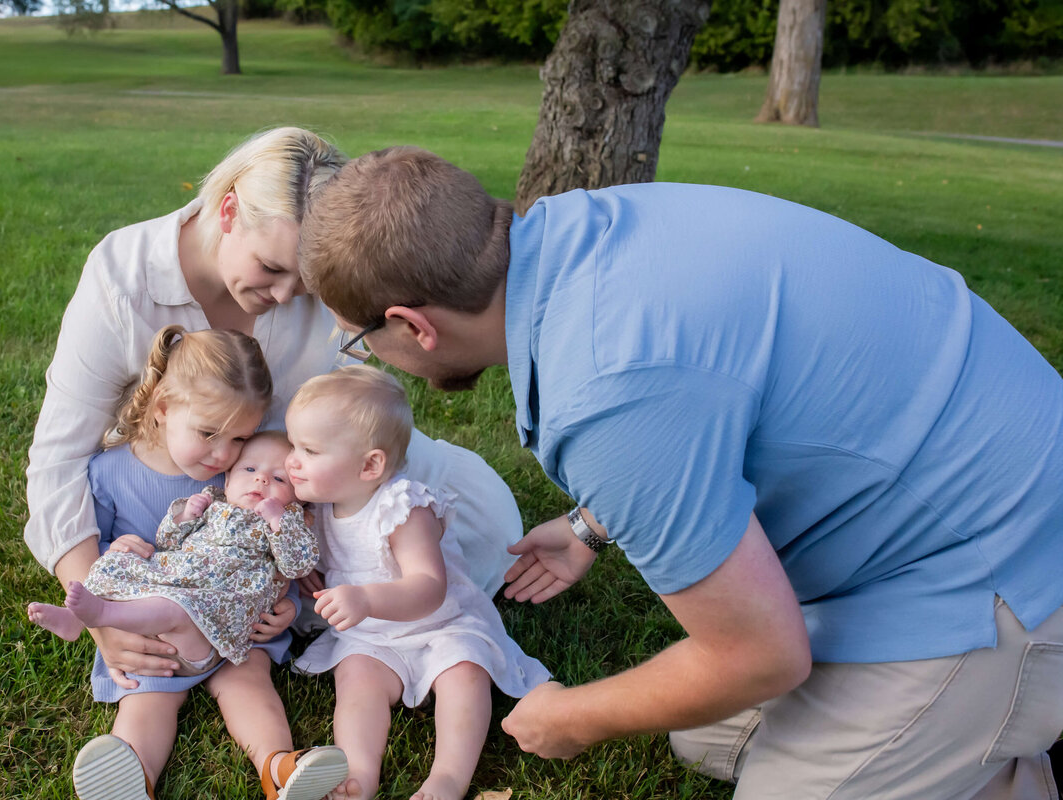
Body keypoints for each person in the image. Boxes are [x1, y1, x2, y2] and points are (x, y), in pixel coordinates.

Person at [296, 146, 1063, 800]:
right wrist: (592, 524)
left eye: (361, 343)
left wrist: (576, 715)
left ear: (411, 326)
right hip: (968, 469)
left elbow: (762, 654)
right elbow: (711, 398)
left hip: (1005, 563)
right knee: (707, 740)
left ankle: (1001, 716)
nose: (369, 358)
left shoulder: (603, 392)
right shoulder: (585, 226)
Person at [24, 129, 522, 697]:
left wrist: (304, 529)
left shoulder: (316, 289)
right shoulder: (124, 275)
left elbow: (351, 418)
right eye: (270, 268)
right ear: (229, 210)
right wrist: (98, 606)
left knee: (487, 530)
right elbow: (60, 454)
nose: (287, 296)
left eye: (304, 283)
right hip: (183, 503)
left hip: (300, 490)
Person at [28, 325, 348, 800]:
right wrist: (118, 552)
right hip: (158, 629)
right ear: (162, 409)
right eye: (209, 434)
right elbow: (102, 551)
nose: (223, 453)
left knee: (250, 684)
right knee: (147, 700)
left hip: (237, 628)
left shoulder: (239, 476)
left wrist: (284, 603)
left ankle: (277, 766)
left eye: (238, 437)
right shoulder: (110, 471)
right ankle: (133, 774)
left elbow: (266, 558)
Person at [284, 366, 550, 800]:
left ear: (370, 464)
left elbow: (429, 586)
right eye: (292, 444)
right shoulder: (322, 506)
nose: (292, 460)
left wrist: (366, 597)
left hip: (442, 625)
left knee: (465, 673)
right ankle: (358, 773)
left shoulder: (403, 507)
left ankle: (447, 777)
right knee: (356, 682)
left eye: (309, 450)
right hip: (376, 636)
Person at [29, 431, 319, 673]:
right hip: (175, 585)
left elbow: (298, 566)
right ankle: (75, 619)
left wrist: (277, 522)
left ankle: (103, 612)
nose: (262, 480)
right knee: (119, 560)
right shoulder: (213, 504)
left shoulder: (288, 522)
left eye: (279, 479)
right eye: (250, 469)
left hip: (212, 616)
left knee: (175, 607)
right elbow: (166, 542)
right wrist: (184, 518)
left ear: (298, 500)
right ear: (228, 481)